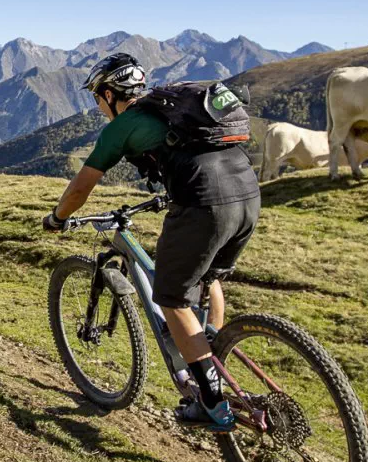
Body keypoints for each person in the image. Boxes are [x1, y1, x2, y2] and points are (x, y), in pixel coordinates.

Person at [41, 52, 261, 430]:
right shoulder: (176, 108)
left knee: (170, 297)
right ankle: (213, 352)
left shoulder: (124, 125)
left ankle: (209, 399)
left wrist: (57, 218)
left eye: (98, 99)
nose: (98, 108)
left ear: (109, 94)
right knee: (208, 278)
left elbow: (80, 187)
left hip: (203, 202)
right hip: (248, 195)